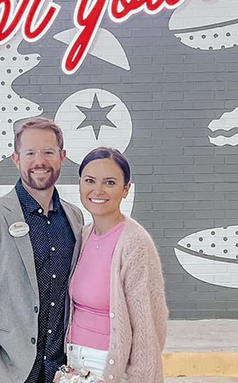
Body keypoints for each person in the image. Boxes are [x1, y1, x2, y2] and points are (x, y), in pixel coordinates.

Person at [0, 117, 84, 383]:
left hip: (59, 371)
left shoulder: (74, 218)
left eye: (48, 152)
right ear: (16, 159)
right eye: (30, 153)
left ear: (62, 157)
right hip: (5, 372)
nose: (40, 161)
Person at [60, 147, 168, 383]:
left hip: (110, 367)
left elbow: (148, 328)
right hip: (74, 363)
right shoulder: (83, 235)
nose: (97, 190)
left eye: (110, 182)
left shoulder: (135, 243)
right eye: (90, 180)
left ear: (126, 189)